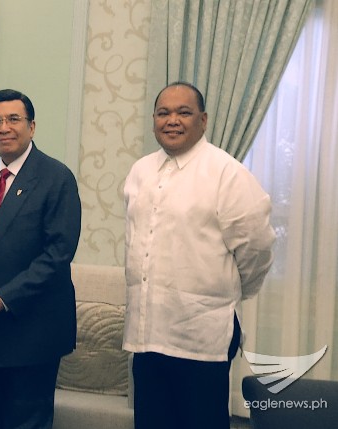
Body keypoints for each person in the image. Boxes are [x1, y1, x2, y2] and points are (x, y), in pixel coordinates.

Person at [123, 82, 276, 429]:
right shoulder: (140, 171)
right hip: (146, 333)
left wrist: (236, 289)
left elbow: (257, 247)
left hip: (200, 336)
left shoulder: (227, 173)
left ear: (203, 120)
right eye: (164, 112)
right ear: (153, 121)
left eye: (183, 112)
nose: (172, 120)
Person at [0, 89, 82, 429]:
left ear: (31, 127)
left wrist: (5, 298)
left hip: (32, 329)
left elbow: (58, 253)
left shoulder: (55, 177)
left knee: (26, 423)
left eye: (13, 119)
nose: (4, 127)